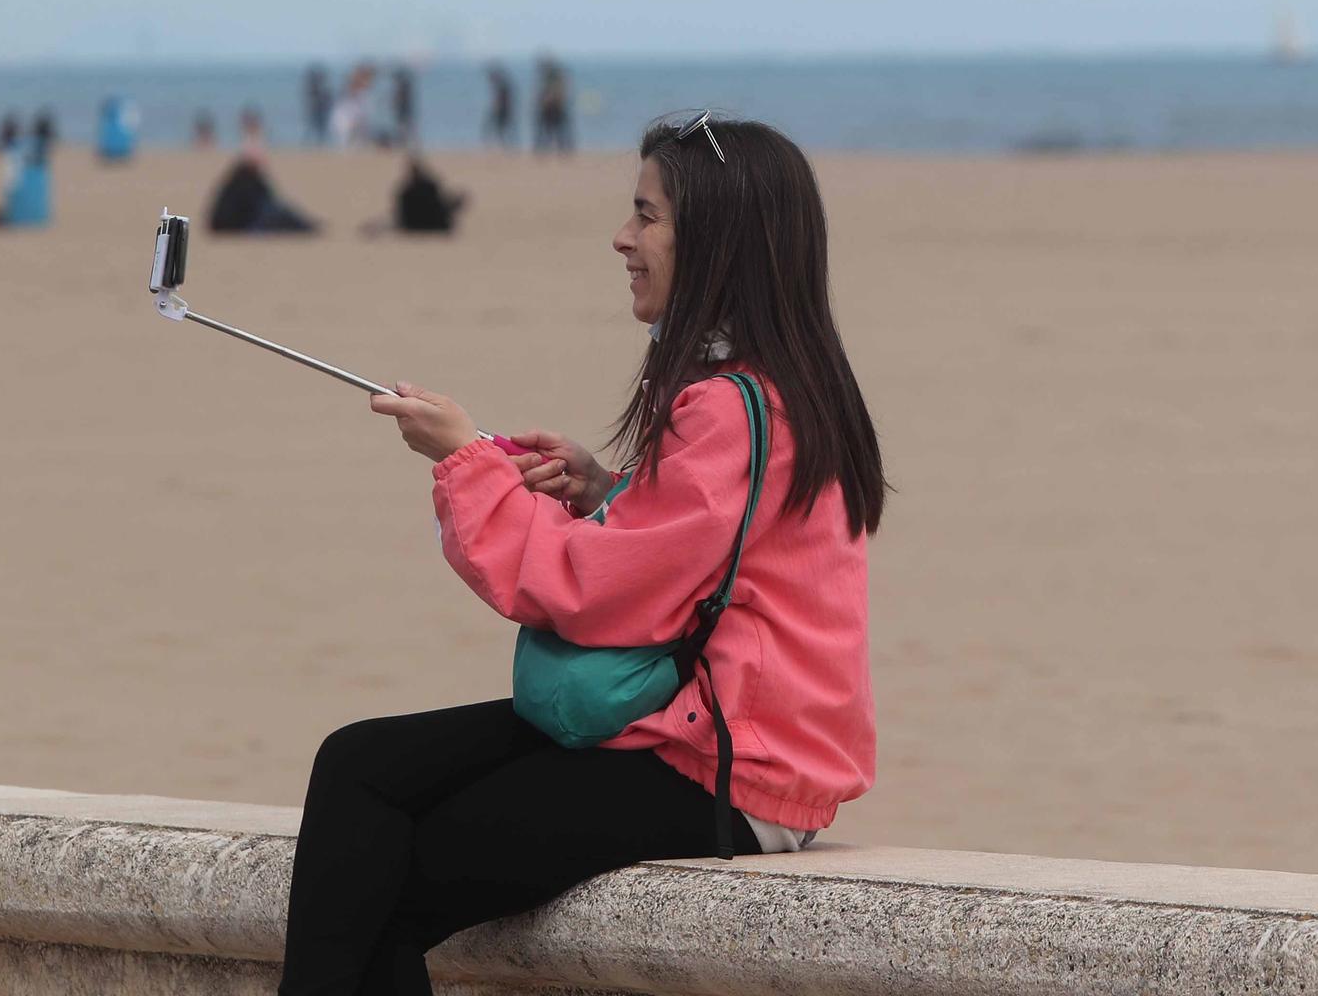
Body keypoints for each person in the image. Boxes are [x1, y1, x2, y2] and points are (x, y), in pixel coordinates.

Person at [278, 115, 884, 995]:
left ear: (713, 238)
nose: (623, 238)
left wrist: (465, 464)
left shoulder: (728, 405)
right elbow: (710, 550)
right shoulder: (787, 380)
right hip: (702, 729)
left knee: (383, 878)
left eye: (647, 216)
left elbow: (593, 593)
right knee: (358, 764)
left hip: (730, 768)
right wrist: (609, 494)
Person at [208, 107, 318, 233]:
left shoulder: (243, 179)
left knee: (281, 213)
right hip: (239, 224)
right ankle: (307, 227)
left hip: (238, 222)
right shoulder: (244, 180)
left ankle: (307, 226)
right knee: (280, 214)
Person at [532, 55, 572, 154]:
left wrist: (550, 100)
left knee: (557, 130)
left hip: (555, 108)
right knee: (548, 130)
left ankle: (561, 149)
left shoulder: (555, 76)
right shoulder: (548, 77)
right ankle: (543, 148)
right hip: (549, 108)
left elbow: (560, 92)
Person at [483, 63, 514, 147]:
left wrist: (497, 106)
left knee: (500, 128)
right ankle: (499, 143)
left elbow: (504, 99)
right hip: (502, 110)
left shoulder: (502, 85)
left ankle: (503, 144)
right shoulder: (502, 84)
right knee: (499, 128)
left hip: (502, 110)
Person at [304, 65, 336, 145]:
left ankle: (319, 143)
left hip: (319, 111)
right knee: (316, 128)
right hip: (317, 111)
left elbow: (327, 99)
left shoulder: (316, 87)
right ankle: (316, 143)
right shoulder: (315, 87)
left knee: (318, 129)